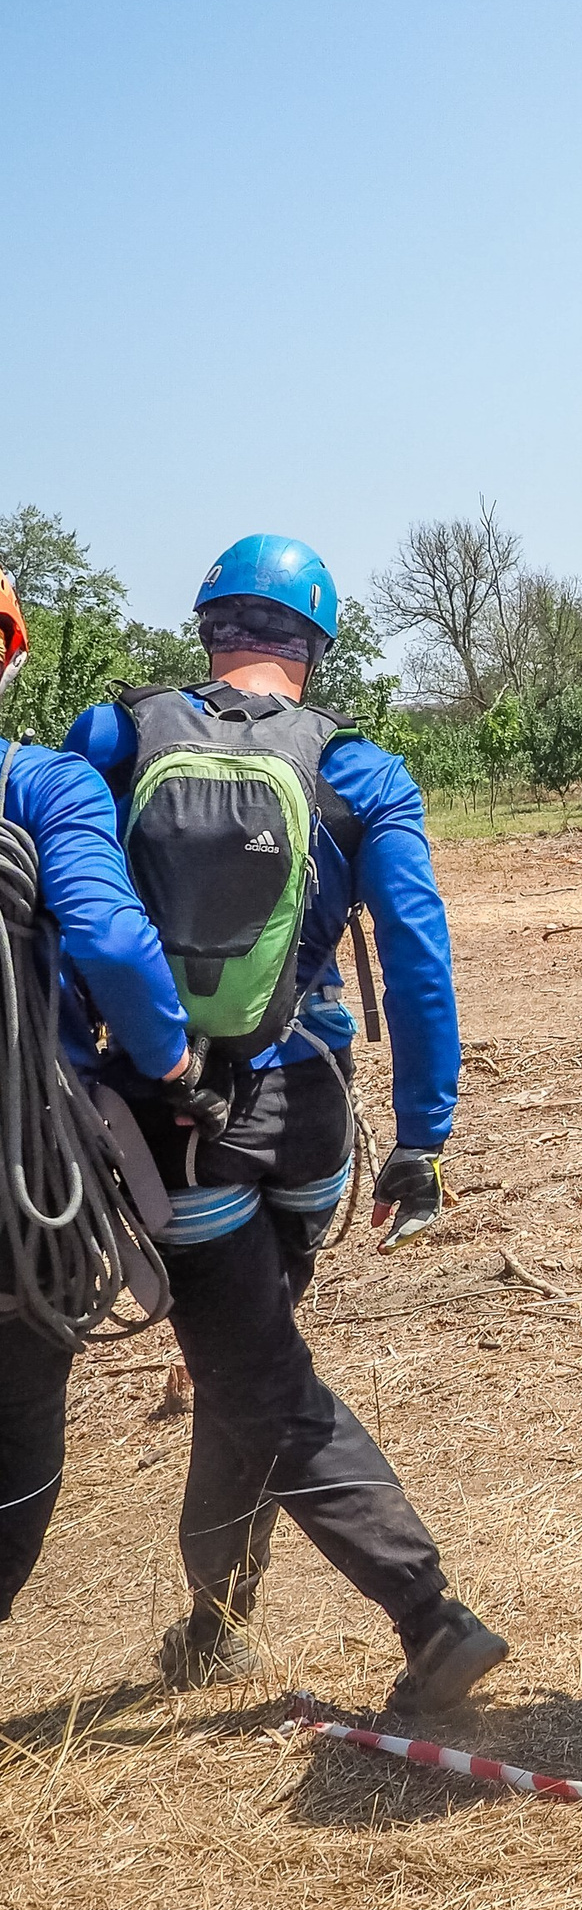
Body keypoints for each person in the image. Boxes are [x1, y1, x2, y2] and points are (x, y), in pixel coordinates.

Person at [65, 534, 506, 1714]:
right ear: (314, 644)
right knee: (242, 1362)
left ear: (210, 629)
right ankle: (217, 1620)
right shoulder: (361, 773)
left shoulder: (118, 739)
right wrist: (425, 1133)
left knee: (253, 1367)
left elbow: (60, 918)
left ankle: (429, 1614)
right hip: (309, 1108)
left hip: (176, 1107)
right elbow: (417, 961)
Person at [0, 571, 203, 1621]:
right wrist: (169, 1060)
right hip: (21, 1184)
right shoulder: (39, 785)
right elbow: (115, 942)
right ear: (11, 652)